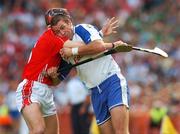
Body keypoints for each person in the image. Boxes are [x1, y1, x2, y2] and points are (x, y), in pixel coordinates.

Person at [15, 8, 119, 134]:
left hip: (46, 90)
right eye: (58, 25)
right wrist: (111, 44)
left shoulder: (59, 39)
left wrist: (100, 34)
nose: (63, 30)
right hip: (31, 86)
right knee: (38, 130)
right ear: (51, 27)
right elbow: (87, 46)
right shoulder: (54, 37)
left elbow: (56, 81)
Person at [46, 8, 130, 134]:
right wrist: (53, 75)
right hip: (95, 92)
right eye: (57, 32)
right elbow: (58, 80)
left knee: (121, 131)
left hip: (112, 81)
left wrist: (73, 51)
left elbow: (98, 46)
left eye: (63, 27)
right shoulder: (63, 49)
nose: (62, 33)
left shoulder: (81, 29)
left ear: (69, 22)